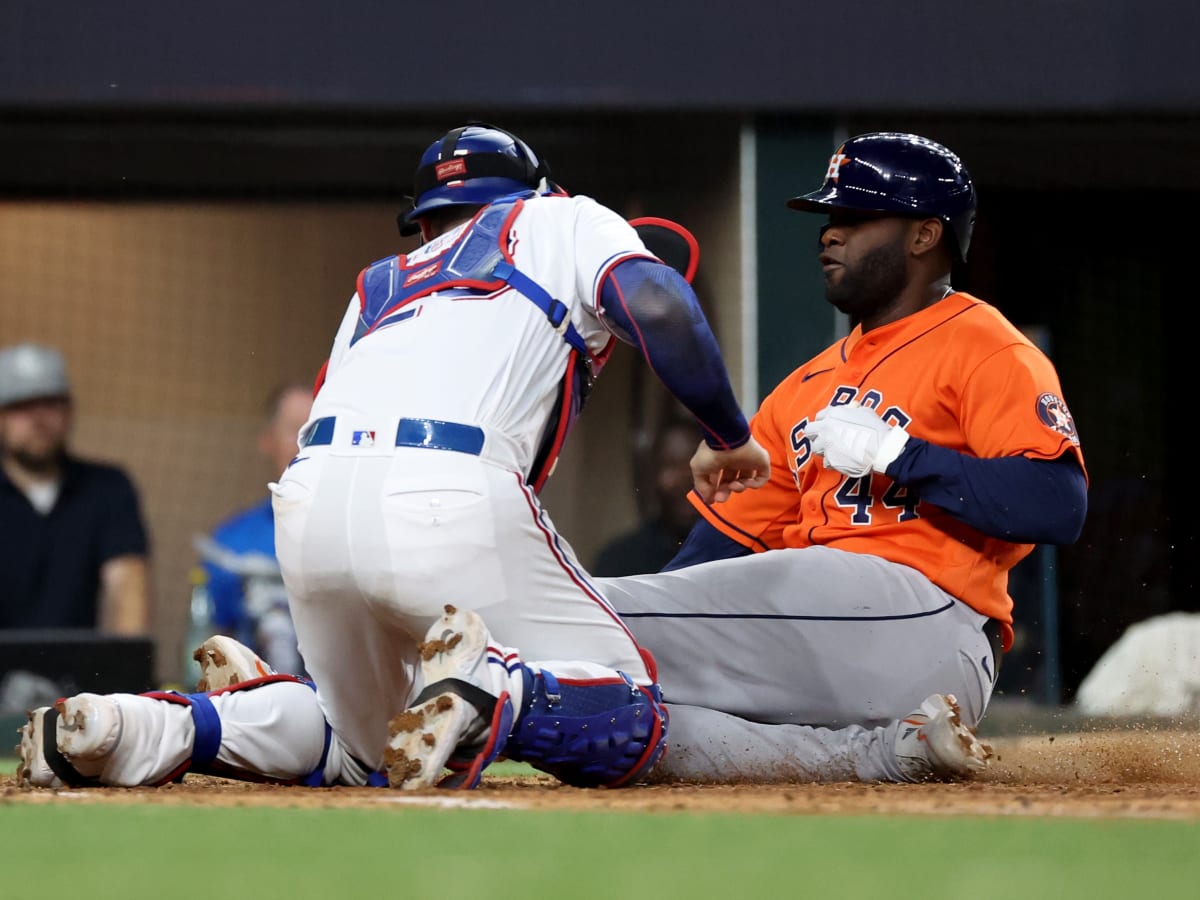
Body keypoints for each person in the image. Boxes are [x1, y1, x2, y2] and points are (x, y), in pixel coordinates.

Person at [16, 121, 769, 791]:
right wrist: (728, 434)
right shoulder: (561, 217)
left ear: (424, 221)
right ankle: (493, 689)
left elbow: (324, 402)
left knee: (359, 745)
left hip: (311, 500)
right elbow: (662, 304)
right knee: (634, 708)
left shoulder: (379, 282)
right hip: (450, 490)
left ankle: (141, 729)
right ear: (533, 188)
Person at [598, 131, 1088, 782]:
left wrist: (902, 454)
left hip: (931, 626)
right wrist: (658, 622)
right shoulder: (802, 388)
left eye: (855, 217)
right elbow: (705, 567)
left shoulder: (987, 348)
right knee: (637, 728)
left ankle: (515, 649)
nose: (831, 234)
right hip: (827, 637)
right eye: (830, 219)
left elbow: (1058, 506)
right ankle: (895, 757)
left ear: (923, 236)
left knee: (585, 616)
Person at [0, 342, 151, 635]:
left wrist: (124, 671)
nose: (38, 418)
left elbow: (127, 587)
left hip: (78, 677)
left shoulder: (108, 489)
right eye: (21, 406)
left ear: (69, 411)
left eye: (51, 403)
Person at [190, 381, 314, 679]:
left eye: (319, 433)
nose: (307, 445)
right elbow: (208, 640)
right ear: (268, 440)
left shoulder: (360, 535)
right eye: (297, 431)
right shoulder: (231, 543)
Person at [592, 414, 701, 576]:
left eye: (694, 464)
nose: (685, 478)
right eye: (672, 465)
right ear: (652, 475)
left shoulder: (736, 554)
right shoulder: (620, 561)